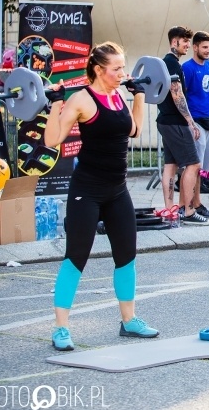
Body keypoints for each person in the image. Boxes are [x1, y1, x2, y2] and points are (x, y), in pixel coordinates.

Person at [45, 42, 158, 351]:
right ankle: (61, 328)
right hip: (87, 191)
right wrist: (56, 104)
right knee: (76, 257)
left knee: (127, 256)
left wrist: (138, 95)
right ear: (98, 70)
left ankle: (129, 321)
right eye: (117, 69)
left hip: (118, 190)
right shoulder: (82, 99)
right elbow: (53, 138)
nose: (123, 73)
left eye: (123, 67)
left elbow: (133, 130)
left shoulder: (118, 95)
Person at [156, 26, 209, 226]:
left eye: (189, 41)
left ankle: (171, 209)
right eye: (184, 41)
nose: (188, 45)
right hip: (175, 122)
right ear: (174, 42)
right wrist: (190, 122)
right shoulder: (172, 64)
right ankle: (188, 211)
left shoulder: (167, 63)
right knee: (194, 164)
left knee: (170, 166)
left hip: (165, 121)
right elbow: (176, 93)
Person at [181, 31, 209, 220]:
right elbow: (181, 95)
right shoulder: (187, 68)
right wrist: (189, 122)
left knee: (203, 168)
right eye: (204, 47)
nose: (208, 50)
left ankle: (197, 203)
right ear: (195, 47)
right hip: (195, 121)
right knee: (194, 166)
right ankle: (191, 205)